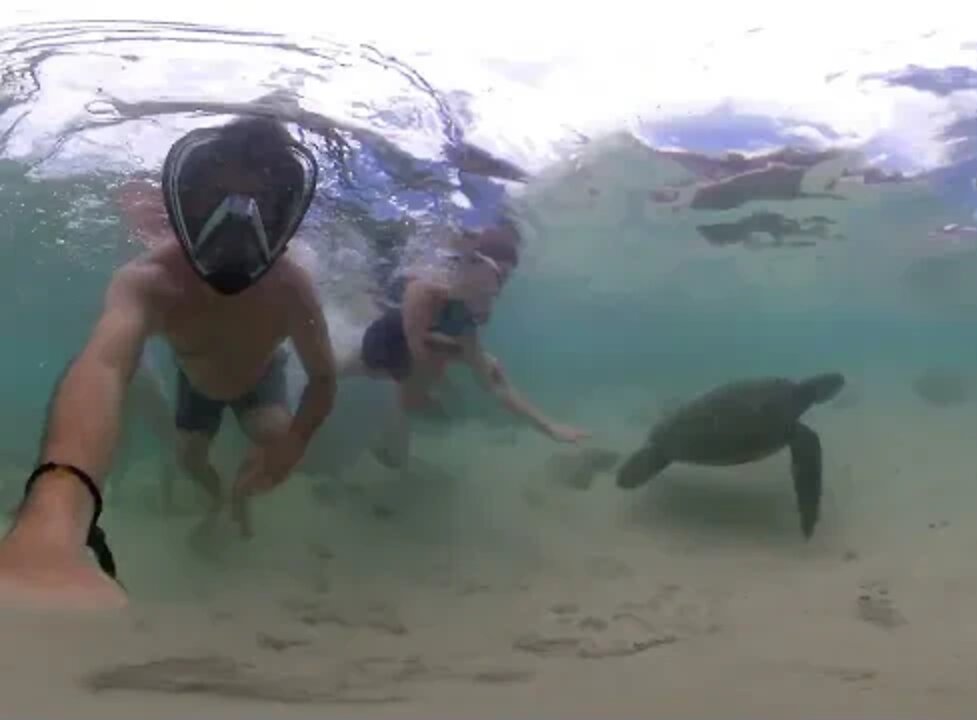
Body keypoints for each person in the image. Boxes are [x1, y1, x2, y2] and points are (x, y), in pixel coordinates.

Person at [0, 116, 337, 610]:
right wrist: (55, 510)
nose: (237, 224)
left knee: (271, 438)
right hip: (196, 387)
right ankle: (216, 497)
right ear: (185, 202)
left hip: (260, 379)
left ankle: (238, 501)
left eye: (259, 204)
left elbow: (325, 377)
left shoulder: (292, 289)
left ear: (284, 212)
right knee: (191, 460)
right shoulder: (150, 280)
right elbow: (105, 366)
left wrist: (295, 443)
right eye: (216, 199)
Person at [342, 214, 588, 470]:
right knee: (345, 368)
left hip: (409, 347)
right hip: (383, 343)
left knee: (485, 367)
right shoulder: (426, 291)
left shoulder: (465, 317)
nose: (497, 288)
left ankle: (393, 438)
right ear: (474, 264)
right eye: (497, 276)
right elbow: (416, 356)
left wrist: (550, 427)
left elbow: (493, 384)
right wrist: (447, 377)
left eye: (505, 279)